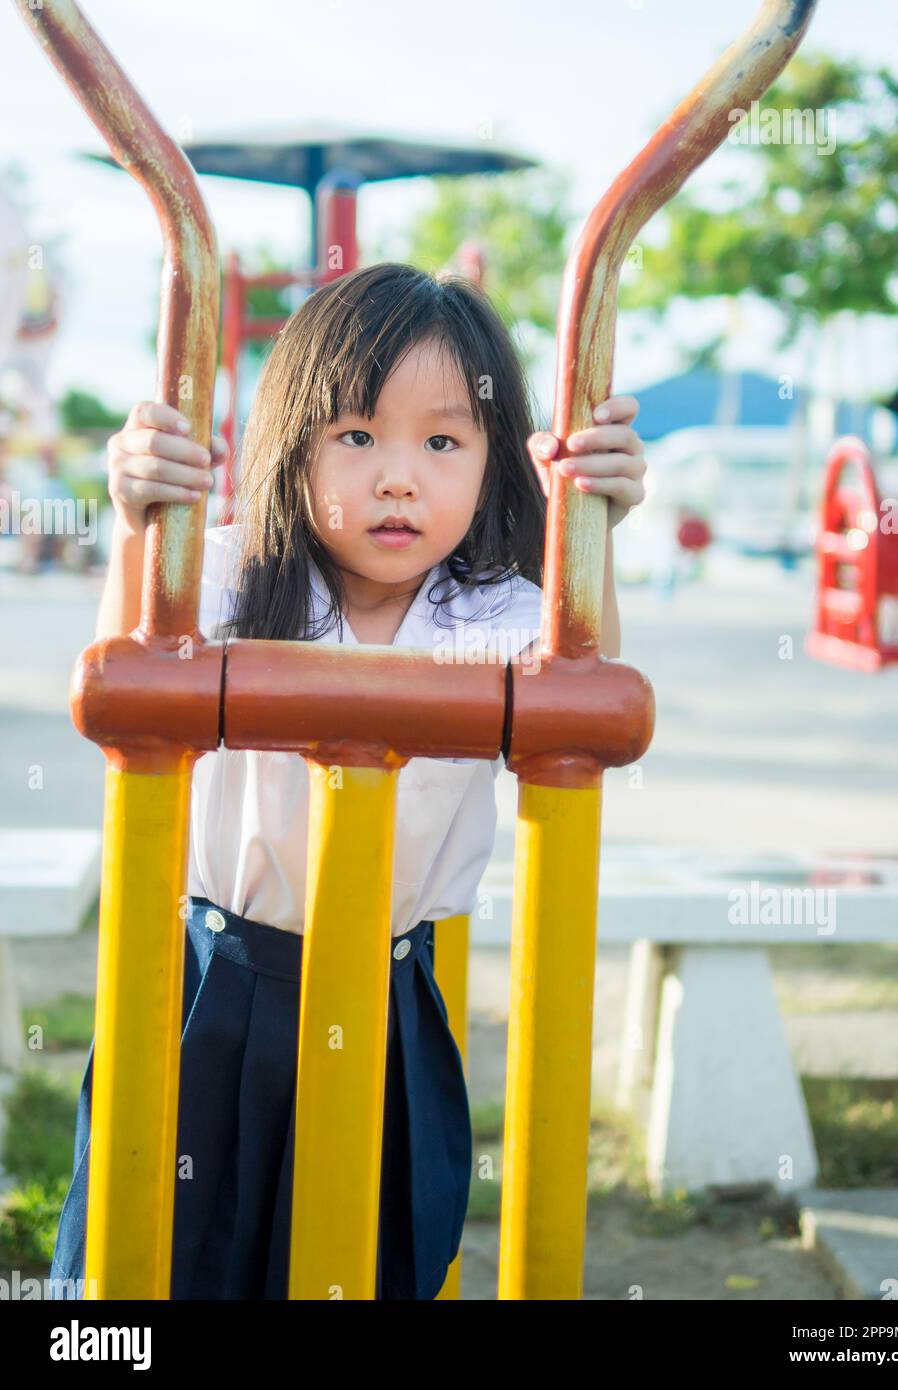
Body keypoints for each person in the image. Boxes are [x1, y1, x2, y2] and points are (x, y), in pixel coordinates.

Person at [49, 262, 646, 1301]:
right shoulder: (231, 571)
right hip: (210, 983)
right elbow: (126, 682)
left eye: (443, 441)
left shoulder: (497, 612)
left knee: (370, 1255)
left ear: (494, 461)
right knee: (155, 1258)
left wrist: (589, 526)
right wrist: (143, 521)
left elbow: (581, 697)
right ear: (295, 440)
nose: (399, 477)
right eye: (357, 435)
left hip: (388, 998)